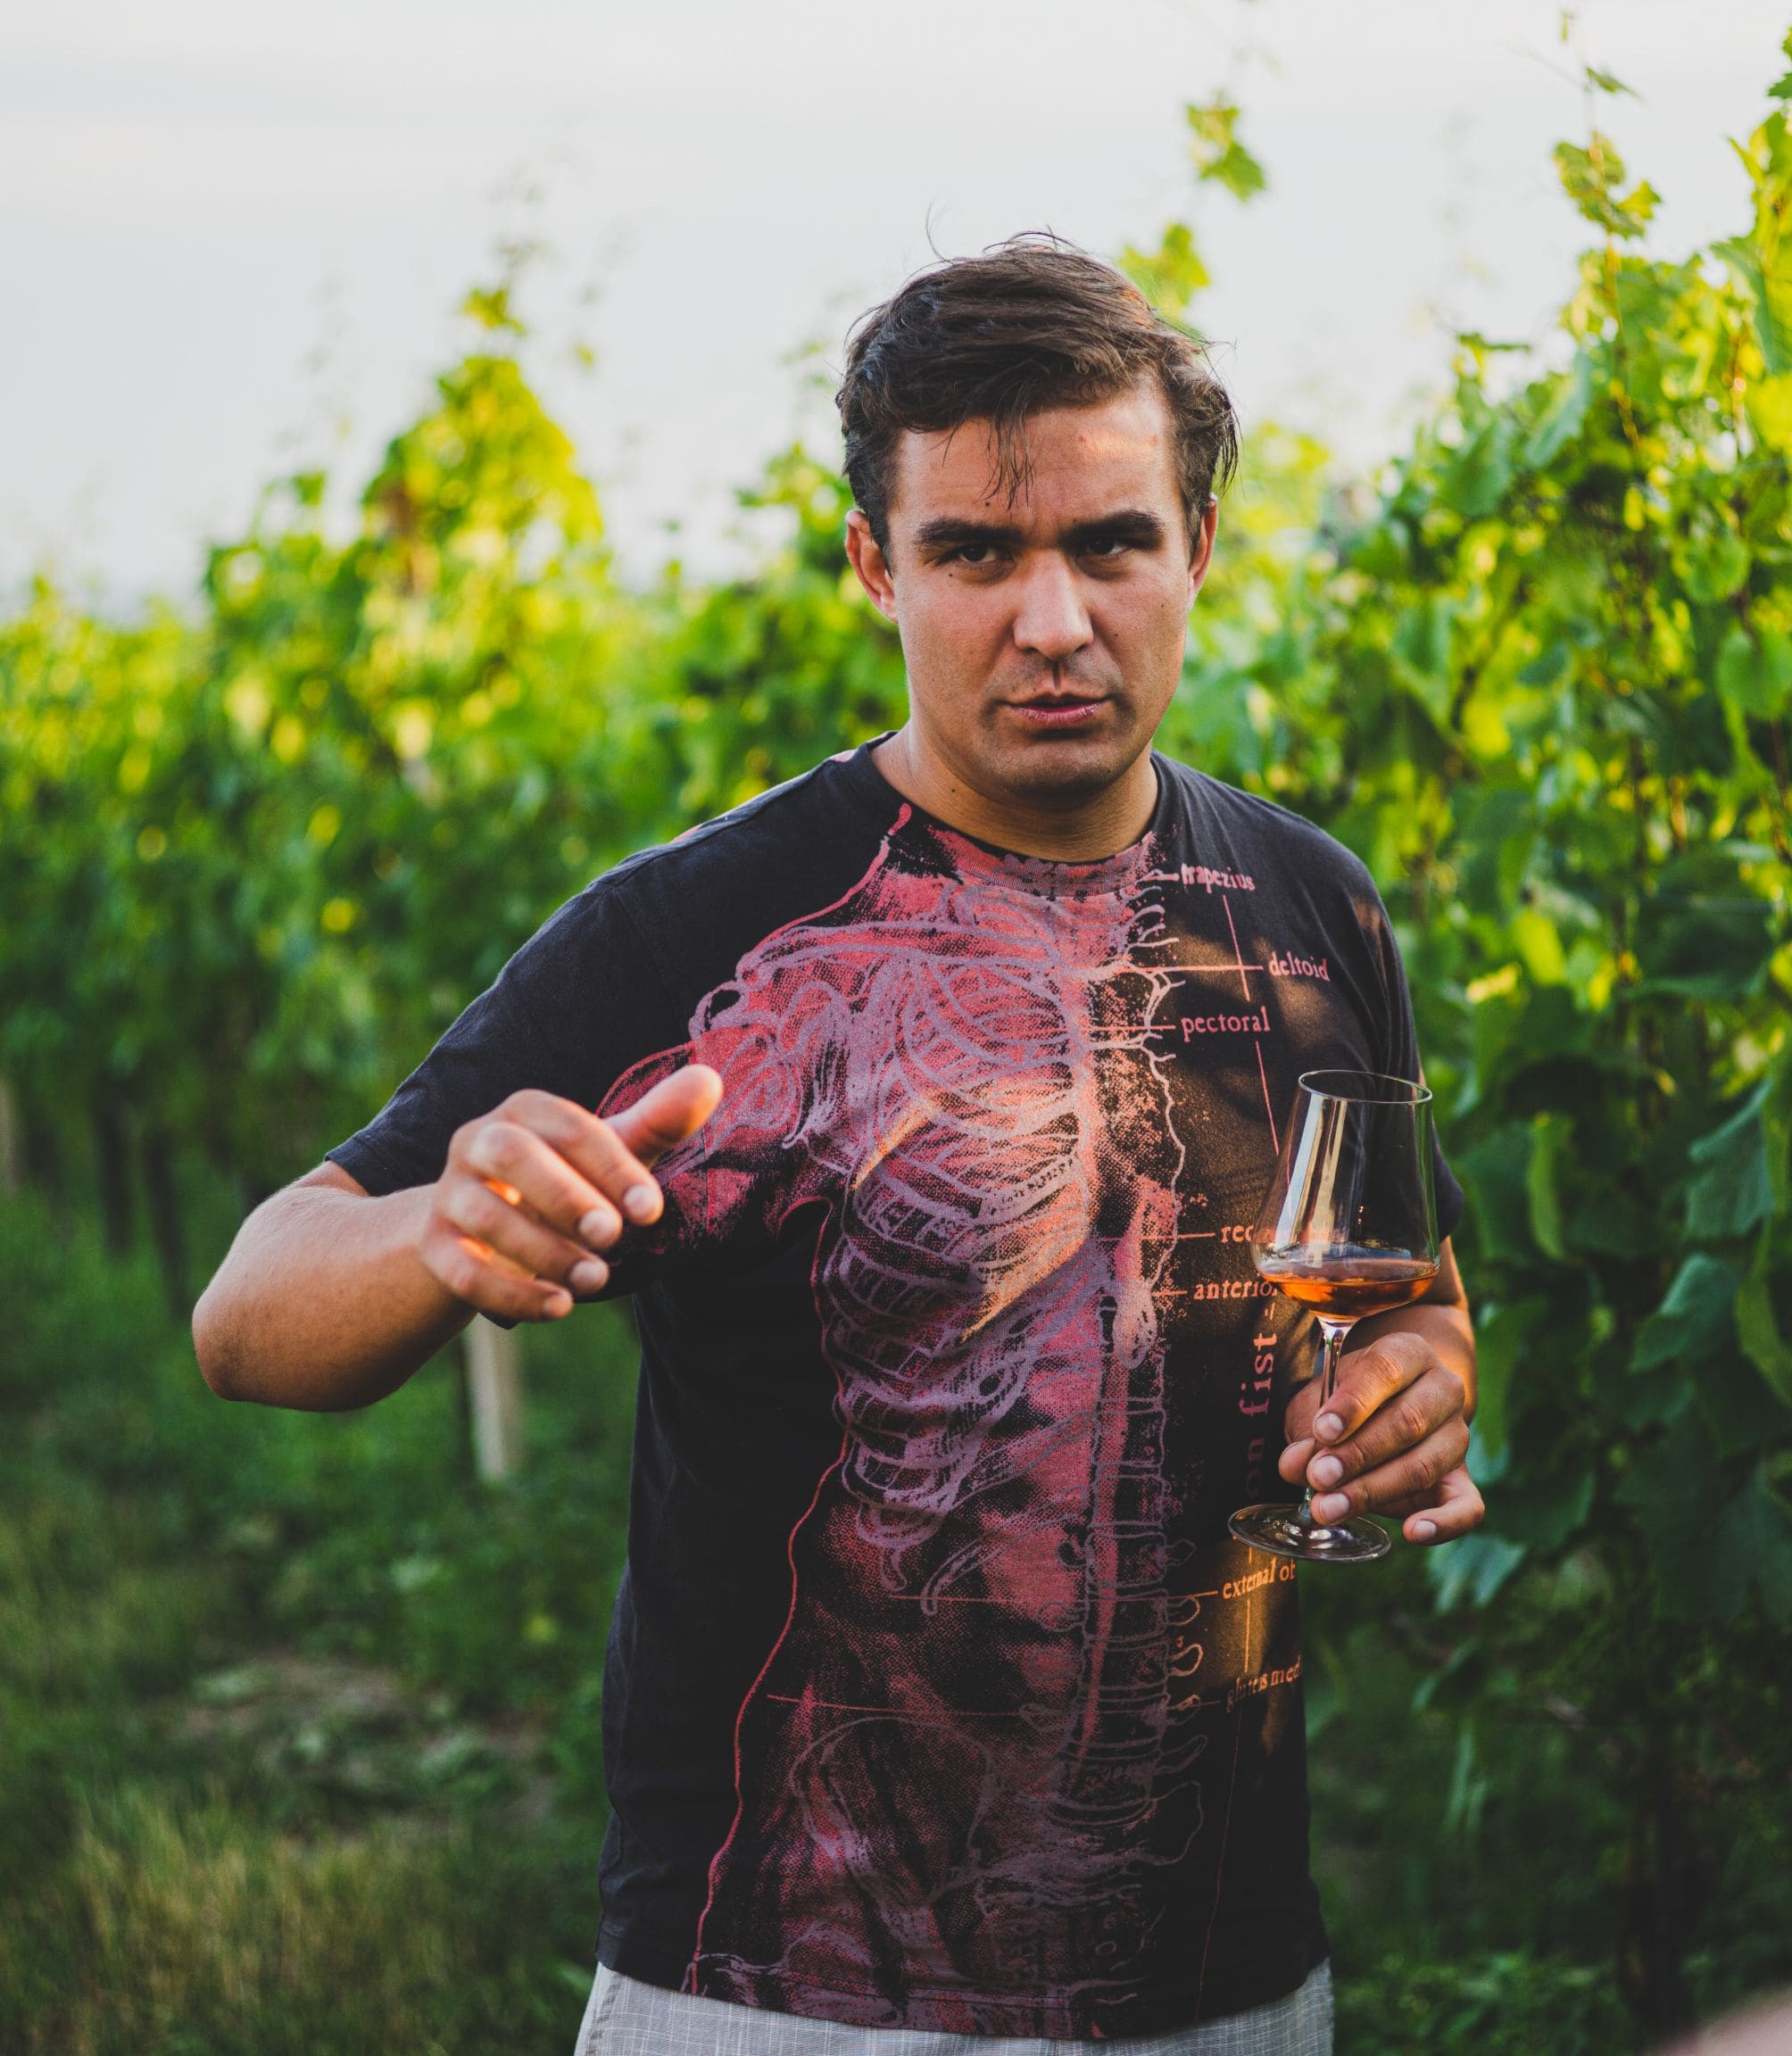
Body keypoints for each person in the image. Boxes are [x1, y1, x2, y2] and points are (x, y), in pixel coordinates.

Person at [194, 239, 1481, 2056]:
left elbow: (1414, 1296)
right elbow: (246, 1316)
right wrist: (435, 1236)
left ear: (1198, 544)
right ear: (875, 562)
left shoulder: (1306, 913)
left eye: (1111, 543)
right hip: (788, 1987)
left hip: (1232, 1984)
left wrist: (1416, 1390)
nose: (1053, 620)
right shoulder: (705, 940)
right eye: (976, 554)